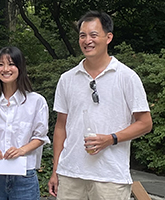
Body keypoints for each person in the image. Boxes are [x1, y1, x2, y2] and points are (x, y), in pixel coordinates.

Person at [48, 11, 152, 200]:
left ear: (108, 37)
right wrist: (56, 170)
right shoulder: (67, 79)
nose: (87, 40)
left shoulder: (126, 77)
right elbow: (61, 127)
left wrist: (111, 138)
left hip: (110, 177)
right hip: (71, 174)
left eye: (93, 35)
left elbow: (145, 123)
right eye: (82, 35)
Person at [0, 46, 50, 200]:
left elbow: (40, 136)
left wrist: (21, 150)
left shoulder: (36, 101)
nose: (5, 69)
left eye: (11, 64)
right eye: (0, 65)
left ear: (20, 67)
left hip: (24, 175)